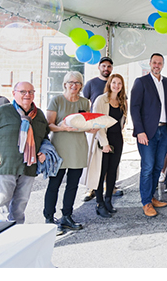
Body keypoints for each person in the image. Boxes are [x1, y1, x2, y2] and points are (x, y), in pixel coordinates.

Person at [45, 71, 96, 231]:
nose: (74, 85)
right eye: (71, 82)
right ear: (65, 84)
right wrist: (61, 128)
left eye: (78, 83)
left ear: (81, 86)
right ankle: (49, 218)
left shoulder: (84, 103)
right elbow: (49, 124)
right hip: (59, 147)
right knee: (54, 184)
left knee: (72, 185)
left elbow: (86, 124)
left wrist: (92, 128)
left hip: (78, 148)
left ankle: (67, 216)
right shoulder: (57, 100)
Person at [130, 53, 167, 217]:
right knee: (148, 167)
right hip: (147, 133)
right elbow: (134, 108)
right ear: (150, 64)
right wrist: (140, 131)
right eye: (155, 62)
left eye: (160, 63)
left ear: (163, 65)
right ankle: (146, 202)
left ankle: (151, 196)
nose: (157, 65)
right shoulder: (141, 82)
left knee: (158, 167)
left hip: (164, 131)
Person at [0, 82, 49, 224]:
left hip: (28, 167)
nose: (27, 95)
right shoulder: (2, 111)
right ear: (14, 94)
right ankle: (2, 236)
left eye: (31, 92)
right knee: (1, 202)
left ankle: (17, 233)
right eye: (23, 92)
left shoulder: (39, 115)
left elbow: (45, 137)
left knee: (20, 204)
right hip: (6, 165)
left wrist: (44, 151)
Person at [81, 56, 121, 202]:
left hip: (115, 134)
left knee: (111, 167)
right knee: (97, 165)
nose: (106, 69)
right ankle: (91, 190)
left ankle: (110, 189)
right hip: (97, 131)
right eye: (103, 66)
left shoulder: (120, 95)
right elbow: (85, 105)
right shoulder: (91, 84)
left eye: (109, 66)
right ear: (99, 67)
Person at [91, 74, 127, 218]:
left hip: (117, 138)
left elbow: (122, 120)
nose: (116, 86)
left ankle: (108, 201)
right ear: (109, 84)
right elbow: (97, 122)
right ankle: (99, 203)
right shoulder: (101, 100)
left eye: (119, 83)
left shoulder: (122, 101)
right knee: (102, 171)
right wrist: (104, 143)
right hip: (104, 140)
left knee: (112, 171)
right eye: (114, 83)